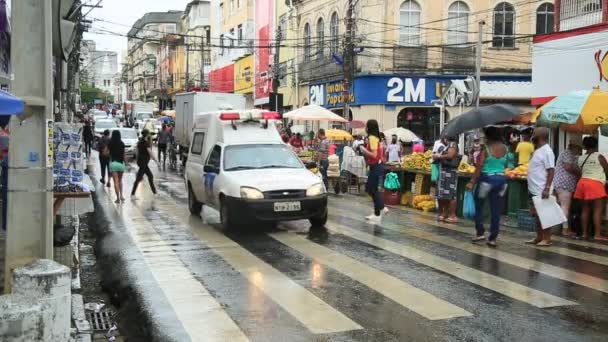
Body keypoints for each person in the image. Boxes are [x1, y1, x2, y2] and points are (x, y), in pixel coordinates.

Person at [467, 126, 508, 247]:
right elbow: (505, 163)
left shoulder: (485, 148)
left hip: (487, 180)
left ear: (488, 136)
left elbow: (479, 166)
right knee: (496, 210)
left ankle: (480, 232)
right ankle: (493, 238)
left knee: (479, 205)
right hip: (501, 181)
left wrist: (472, 181)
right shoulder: (505, 148)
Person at [573, 136, 608, 241]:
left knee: (585, 209)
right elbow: (607, 170)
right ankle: (597, 234)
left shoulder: (580, 158)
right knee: (598, 210)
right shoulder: (599, 156)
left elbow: (578, 171)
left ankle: (584, 233)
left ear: (584, 146)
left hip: (582, 183)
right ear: (596, 145)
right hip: (596, 184)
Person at [525, 127, 556, 246]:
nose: (533, 134)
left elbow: (551, 170)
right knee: (536, 215)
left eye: (535, 133)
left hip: (541, 188)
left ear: (541, 136)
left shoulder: (547, 151)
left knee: (544, 214)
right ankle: (539, 236)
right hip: (533, 188)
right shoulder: (538, 150)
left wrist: (547, 188)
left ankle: (547, 238)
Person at [553, 138, 582, 237]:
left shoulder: (568, 154)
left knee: (564, 206)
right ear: (574, 147)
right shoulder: (567, 153)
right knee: (565, 206)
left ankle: (565, 228)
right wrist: (579, 173)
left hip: (564, 184)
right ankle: (565, 230)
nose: (579, 152)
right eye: (579, 149)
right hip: (564, 184)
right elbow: (568, 167)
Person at [359, 120, 387, 224]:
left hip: (376, 166)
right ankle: (377, 214)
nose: (365, 128)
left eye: (366, 126)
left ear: (369, 127)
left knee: (371, 189)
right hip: (375, 166)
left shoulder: (372, 138)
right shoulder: (375, 138)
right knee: (371, 189)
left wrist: (363, 149)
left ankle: (382, 208)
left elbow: (374, 154)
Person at [434, 136, 460, 223]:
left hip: (450, 172)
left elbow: (450, 155)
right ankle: (445, 212)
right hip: (444, 172)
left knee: (451, 194)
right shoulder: (447, 145)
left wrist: (439, 156)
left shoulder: (453, 144)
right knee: (444, 194)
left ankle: (452, 215)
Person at [131, 129, 158, 199]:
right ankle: (132, 194)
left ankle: (155, 192)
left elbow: (136, 150)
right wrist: (156, 160)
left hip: (142, 162)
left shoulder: (141, 141)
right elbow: (150, 152)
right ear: (147, 134)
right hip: (143, 162)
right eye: (149, 133)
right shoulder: (145, 142)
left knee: (150, 176)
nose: (150, 135)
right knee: (139, 178)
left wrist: (137, 159)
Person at [108, 130, 127, 203]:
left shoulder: (110, 143)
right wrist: (126, 163)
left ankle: (118, 198)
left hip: (113, 163)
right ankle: (122, 195)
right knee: (120, 180)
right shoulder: (122, 143)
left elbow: (106, 152)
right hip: (121, 164)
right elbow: (124, 155)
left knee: (115, 181)